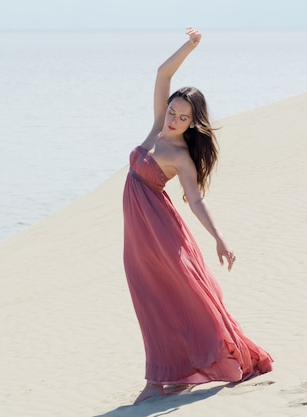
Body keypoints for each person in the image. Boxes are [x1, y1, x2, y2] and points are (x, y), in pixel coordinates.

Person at [122, 27, 273, 405]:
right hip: (137, 233)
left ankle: (162, 379)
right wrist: (189, 46)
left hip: (159, 231)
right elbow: (162, 74)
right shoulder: (158, 125)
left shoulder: (180, 157)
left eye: (182, 117)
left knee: (179, 296)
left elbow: (196, 200)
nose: (173, 119)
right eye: (172, 111)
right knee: (150, 299)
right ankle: (171, 373)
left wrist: (220, 238)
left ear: (193, 123)